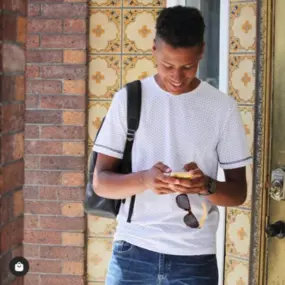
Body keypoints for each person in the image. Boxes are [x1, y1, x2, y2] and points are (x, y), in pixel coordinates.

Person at [93, 5, 252, 285]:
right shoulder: (128, 99)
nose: (177, 77)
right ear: (154, 49)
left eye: (187, 67)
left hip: (195, 260)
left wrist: (206, 186)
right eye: (167, 65)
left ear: (201, 51)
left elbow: (238, 193)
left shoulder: (222, 108)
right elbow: (101, 183)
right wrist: (145, 179)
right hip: (132, 254)